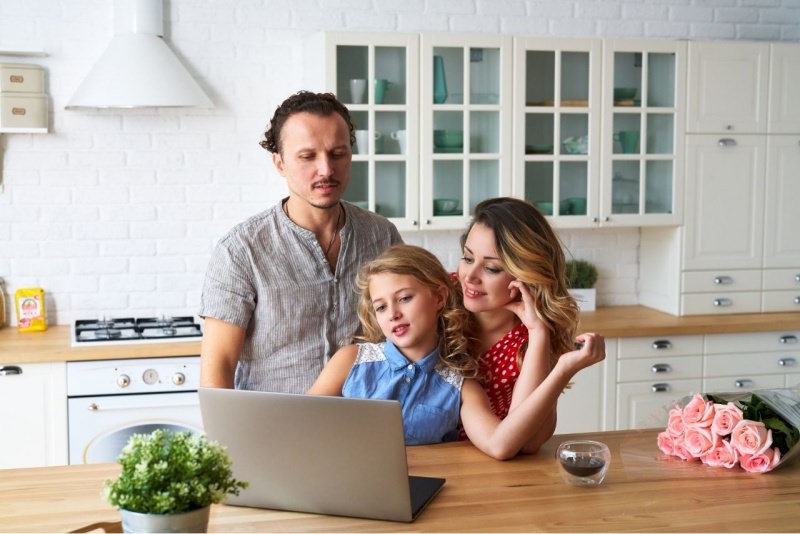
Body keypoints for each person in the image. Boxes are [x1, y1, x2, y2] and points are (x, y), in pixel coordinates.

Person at [309, 244, 605, 460]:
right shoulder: (350, 360)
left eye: (405, 298)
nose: (393, 314)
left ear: (438, 297)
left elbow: (500, 445)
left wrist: (562, 368)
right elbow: (300, 424)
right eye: (381, 306)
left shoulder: (462, 385)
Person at [200, 91, 402, 392]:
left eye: (338, 154)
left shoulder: (382, 236)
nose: (326, 170)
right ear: (279, 163)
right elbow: (219, 368)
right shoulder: (241, 250)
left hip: (365, 422)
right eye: (308, 156)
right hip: (274, 429)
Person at [455, 196, 582, 449]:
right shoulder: (436, 298)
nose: (470, 276)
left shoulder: (532, 336)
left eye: (492, 269)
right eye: (468, 259)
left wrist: (538, 333)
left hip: (494, 469)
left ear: (526, 274)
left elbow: (530, 441)